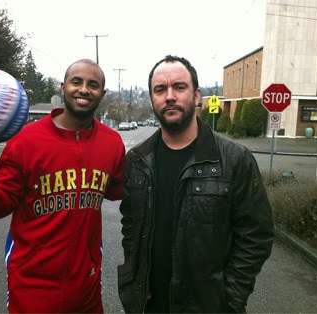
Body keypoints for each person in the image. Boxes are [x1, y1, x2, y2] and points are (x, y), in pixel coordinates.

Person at [0, 59, 125, 313]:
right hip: (31, 288)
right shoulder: (25, 140)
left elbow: (116, 189)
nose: (84, 89)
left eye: (93, 85)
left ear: (102, 94)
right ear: (63, 87)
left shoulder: (112, 143)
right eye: (76, 82)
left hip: (86, 289)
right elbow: (2, 205)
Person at [117, 55, 274, 313]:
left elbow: (256, 235)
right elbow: (131, 223)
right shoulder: (137, 160)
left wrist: (230, 298)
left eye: (179, 87)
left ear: (197, 95)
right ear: (152, 100)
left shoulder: (234, 159)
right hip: (148, 305)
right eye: (160, 89)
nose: (170, 96)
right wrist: (135, 277)